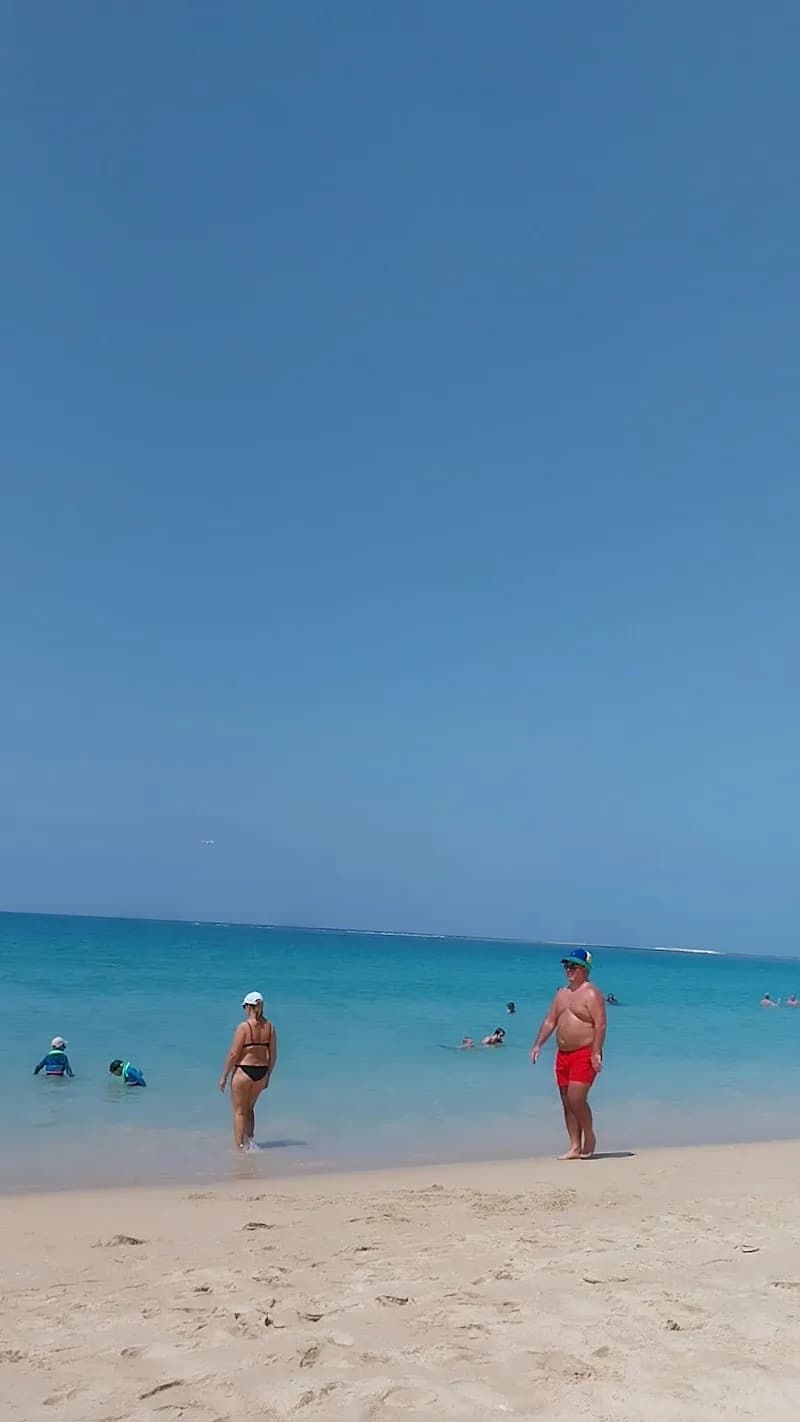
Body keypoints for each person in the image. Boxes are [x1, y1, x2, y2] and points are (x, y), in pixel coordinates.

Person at [530, 948, 606, 1160]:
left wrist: (596, 1052)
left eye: (574, 966)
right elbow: (550, 1021)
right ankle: (574, 1146)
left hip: (584, 1052)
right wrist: (537, 1045)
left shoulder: (591, 993)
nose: (569, 970)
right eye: (567, 966)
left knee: (576, 1098)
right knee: (566, 1102)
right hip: (563, 1055)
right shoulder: (562, 994)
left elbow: (600, 1025)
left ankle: (589, 1136)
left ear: (585, 969)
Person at [219, 991, 277, 1150]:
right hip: (261, 1072)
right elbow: (273, 1055)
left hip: (244, 1071)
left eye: (244, 1006)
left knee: (239, 1112)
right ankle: (250, 1143)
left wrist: (224, 1076)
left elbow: (233, 1054)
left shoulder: (244, 1027)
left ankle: (240, 1148)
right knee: (249, 1108)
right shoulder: (270, 1027)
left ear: (249, 1007)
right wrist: (268, 1075)